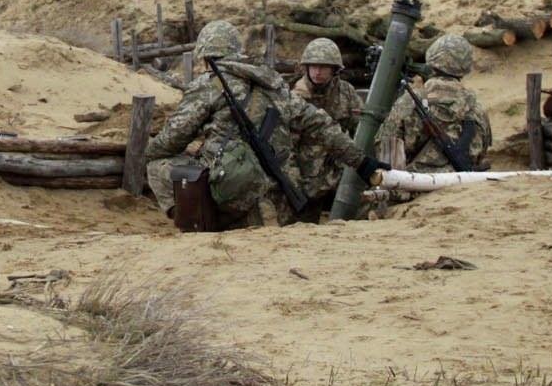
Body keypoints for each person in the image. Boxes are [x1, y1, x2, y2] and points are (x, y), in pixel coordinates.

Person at [144, 20, 386, 229]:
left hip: (228, 187)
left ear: (206, 56)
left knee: (156, 163)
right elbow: (320, 124)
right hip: (275, 191)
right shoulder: (274, 84)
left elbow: (172, 138)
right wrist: (362, 162)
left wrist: (149, 151)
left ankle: (193, 223)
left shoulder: (208, 85)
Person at [385, 34, 492, 172]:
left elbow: (388, 148)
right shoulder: (476, 106)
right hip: (467, 185)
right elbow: (481, 151)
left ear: (431, 57)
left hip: (416, 185)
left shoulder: (409, 101)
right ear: (466, 66)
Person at [289, 37, 362, 215]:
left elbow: (360, 129)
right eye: (313, 66)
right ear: (305, 68)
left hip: (340, 173)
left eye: (324, 66)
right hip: (306, 179)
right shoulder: (294, 95)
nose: (318, 72)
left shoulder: (346, 92)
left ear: (334, 69)